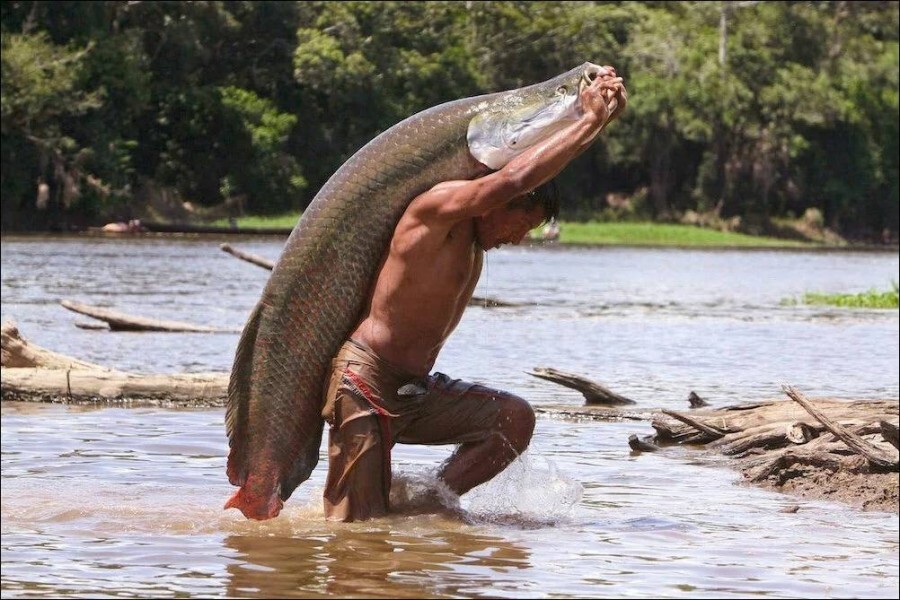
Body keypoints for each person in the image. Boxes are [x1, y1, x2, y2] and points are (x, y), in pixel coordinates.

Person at [321, 68, 628, 522]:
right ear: (498, 204)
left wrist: (600, 117)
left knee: (513, 419)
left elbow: (519, 176)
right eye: (521, 226)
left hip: (415, 389)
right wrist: (585, 121)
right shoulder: (436, 210)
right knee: (355, 535)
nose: (519, 239)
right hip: (366, 383)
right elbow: (511, 179)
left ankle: (428, 501)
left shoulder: (473, 244)